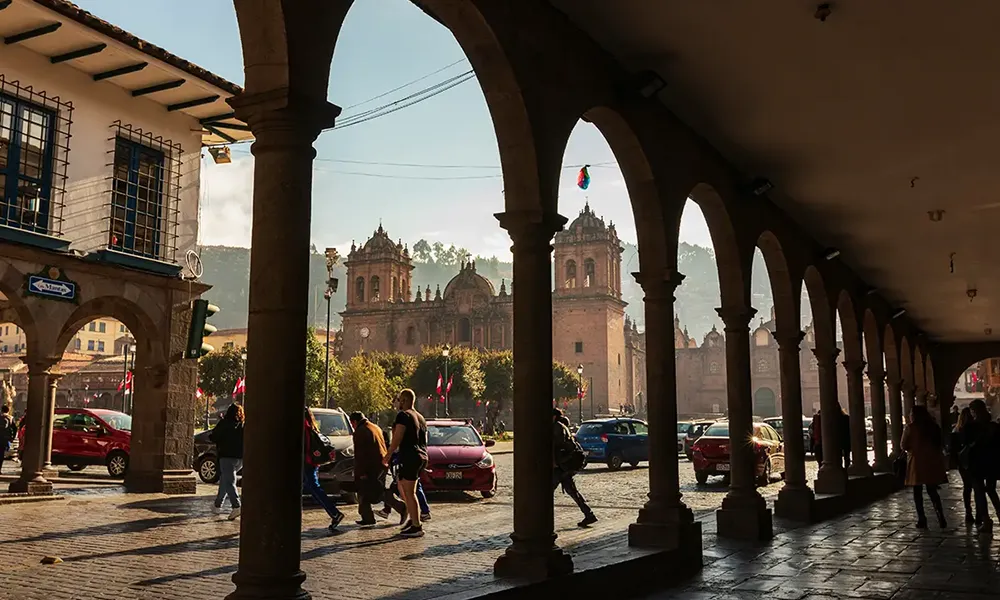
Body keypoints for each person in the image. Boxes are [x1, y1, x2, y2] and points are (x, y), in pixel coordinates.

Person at [383, 388, 428, 537]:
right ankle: (413, 519)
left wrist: (388, 455)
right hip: (420, 456)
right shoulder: (420, 417)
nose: (398, 404)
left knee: (409, 492)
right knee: (404, 488)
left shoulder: (403, 416)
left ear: (404, 401)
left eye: (399, 400)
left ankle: (416, 526)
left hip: (410, 456)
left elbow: (397, 437)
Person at [902, 405, 948, 529]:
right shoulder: (934, 427)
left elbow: (903, 445)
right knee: (932, 491)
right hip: (932, 461)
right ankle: (941, 516)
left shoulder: (911, 428)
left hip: (917, 462)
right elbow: (941, 443)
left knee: (917, 492)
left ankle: (922, 519)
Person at [553, 407, 596, 527]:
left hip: (561, 466)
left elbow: (556, 446)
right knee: (572, 491)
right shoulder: (561, 427)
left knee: (546, 492)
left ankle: (539, 519)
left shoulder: (557, 427)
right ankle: (589, 514)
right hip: (565, 465)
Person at [304, 408, 345, 531]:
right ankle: (334, 513)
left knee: (314, 488)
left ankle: (334, 513)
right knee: (313, 487)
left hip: (307, 463)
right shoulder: (311, 426)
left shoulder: (304, 428)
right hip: (311, 463)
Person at [964, 399, 1000, 533]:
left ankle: (986, 520)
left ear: (973, 411)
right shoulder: (993, 426)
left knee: (979, 492)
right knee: (991, 490)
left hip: (976, 464)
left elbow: (964, 442)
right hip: (992, 463)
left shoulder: (970, 427)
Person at [349, 411, 387, 526]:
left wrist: (361, 472)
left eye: (352, 424)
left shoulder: (360, 432)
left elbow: (360, 454)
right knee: (377, 491)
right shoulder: (375, 427)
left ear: (354, 422)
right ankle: (368, 517)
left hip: (370, 466)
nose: (352, 427)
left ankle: (368, 518)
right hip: (380, 464)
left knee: (364, 492)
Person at [210, 403, 245, 520]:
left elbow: (213, 437)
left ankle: (236, 506)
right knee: (225, 480)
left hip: (226, 456)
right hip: (240, 458)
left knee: (229, 482)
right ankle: (217, 504)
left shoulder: (224, 424)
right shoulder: (241, 425)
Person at [951, 406, 976, 524]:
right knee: (977, 486)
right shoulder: (975, 429)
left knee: (967, 487)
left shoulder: (956, 430)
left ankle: (968, 512)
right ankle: (980, 514)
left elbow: (952, 449)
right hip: (975, 461)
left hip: (962, 462)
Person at [0, 404, 14, 475]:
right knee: (1, 454)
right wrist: (12, 438)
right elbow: (14, 428)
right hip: (4, 439)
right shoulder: (10, 418)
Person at [837, 404, 851, 469]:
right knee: (847, 456)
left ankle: (840, 468)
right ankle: (847, 468)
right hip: (846, 439)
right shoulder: (846, 418)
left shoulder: (834, 420)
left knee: (838, 456)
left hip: (838, 440)